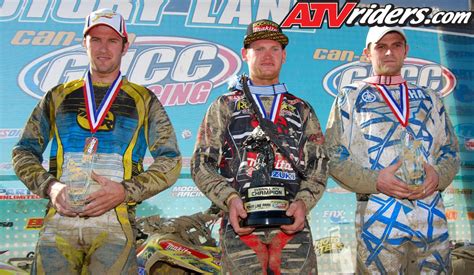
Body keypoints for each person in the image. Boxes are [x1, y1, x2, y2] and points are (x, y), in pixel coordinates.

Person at [12, 8, 181, 274]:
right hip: (60, 222)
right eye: (96, 39)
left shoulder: (143, 99)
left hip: (115, 223)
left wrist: (126, 190)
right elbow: (23, 151)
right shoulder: (57, 96)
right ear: (84, 43)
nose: (103, 48)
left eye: (112, 40)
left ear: (125, 46)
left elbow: (170, 160)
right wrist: (51, 187)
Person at [191, 19, 328, 274]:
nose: (267, 55)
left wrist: (303, 202)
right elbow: (201, 164)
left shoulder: (301, 108)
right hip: (240, 223)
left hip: (292, 225)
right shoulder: (225, 105)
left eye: (274, 49)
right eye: (259, 49)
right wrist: (229, 199)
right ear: (245, 55)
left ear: (284, 56)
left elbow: (319, 163)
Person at [325, 26, 460, 274]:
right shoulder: (350, 97)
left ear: (406, 50)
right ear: (367, 53)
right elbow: (332, 156)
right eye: (380, 46)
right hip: (378, 209)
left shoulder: (430, 97)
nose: (389, 52)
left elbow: (450, 151)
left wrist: (438, 176)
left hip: (430, 211)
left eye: (396, 45)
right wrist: (376, 181)